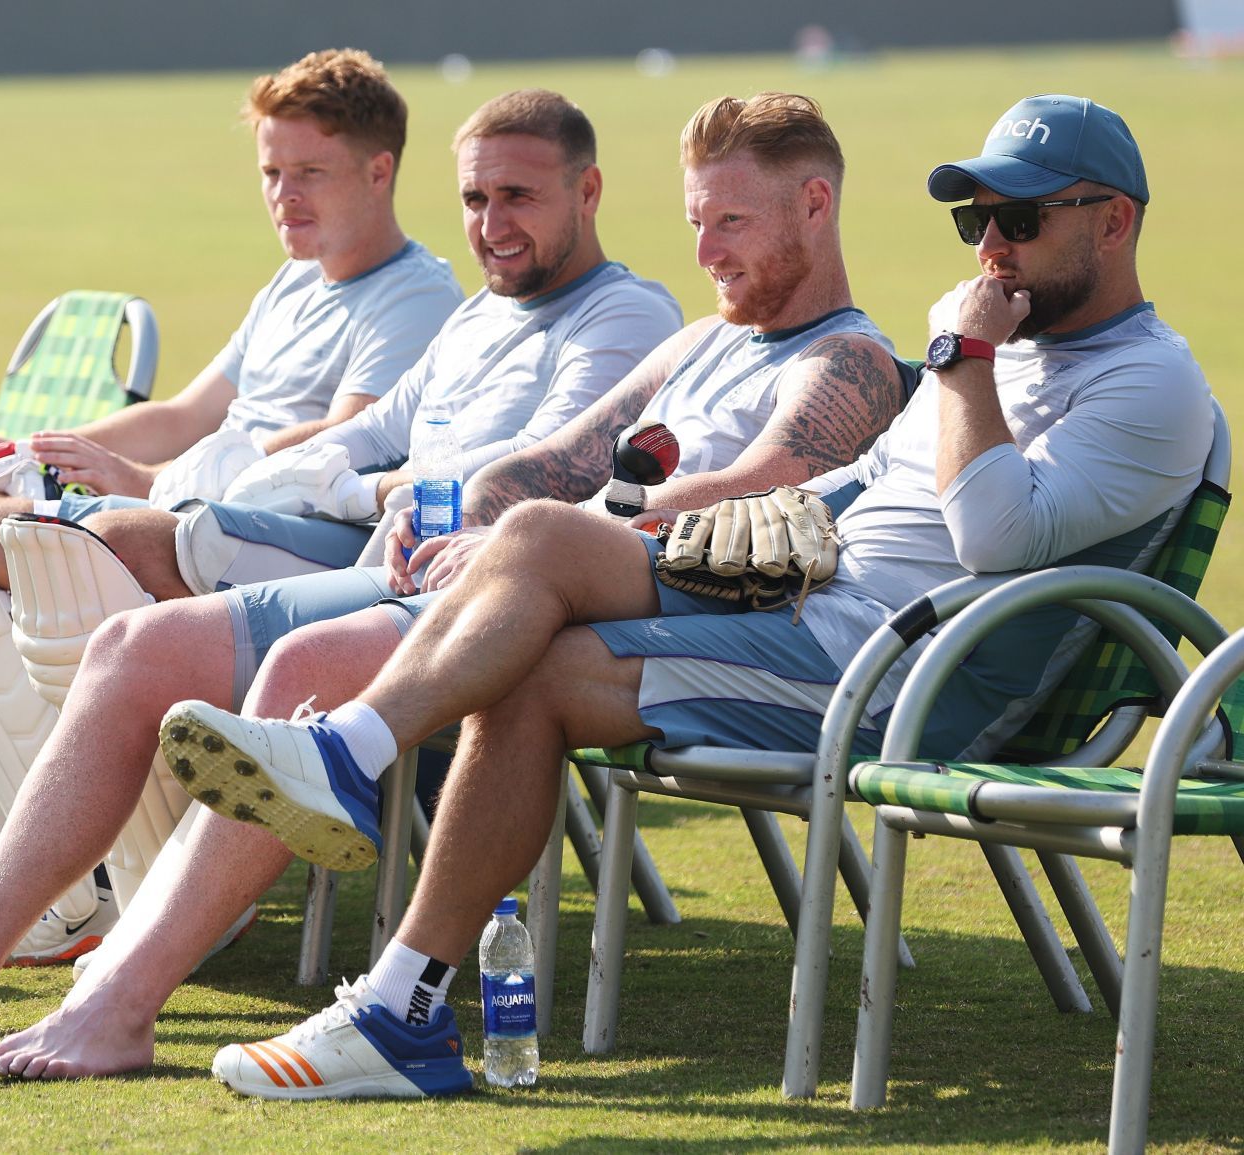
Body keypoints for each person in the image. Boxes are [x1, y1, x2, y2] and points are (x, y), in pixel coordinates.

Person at [0, 93, 910, 1083]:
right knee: (132, 650)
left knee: (304, 668)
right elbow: (557, 454)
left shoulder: (849, 360)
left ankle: (119, 1004)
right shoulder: (700, 342)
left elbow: (747, 498)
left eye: (735, 224)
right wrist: (450, 502)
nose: (708, 250)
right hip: (494, 584)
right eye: (699, 220)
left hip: (592, 623)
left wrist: (534, 537)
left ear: (815, 208)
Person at [164, 93, 1210, 1100]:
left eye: (1018, 218)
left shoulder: (1148, 382)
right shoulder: (997, 356)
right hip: (812, 600)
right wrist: (704, 536)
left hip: (905, 672)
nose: (990, 244)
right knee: (531, 603)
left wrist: (961, 355)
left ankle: (348, 763)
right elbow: (850, 491)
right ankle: (399, 1006)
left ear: (1113, 222)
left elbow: (994, 534)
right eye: (976, 215)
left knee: (538, 566)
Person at [0, 48, 463, 566]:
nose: (284, 195)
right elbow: (186, 414)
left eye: (309, 172)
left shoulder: (417, 297)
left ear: (378, 172)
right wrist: (27, 449)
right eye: (272, 173)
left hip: (271, 526)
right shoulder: (295, 279)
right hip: (203, 502)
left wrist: (156, 480)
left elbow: (349, 438)